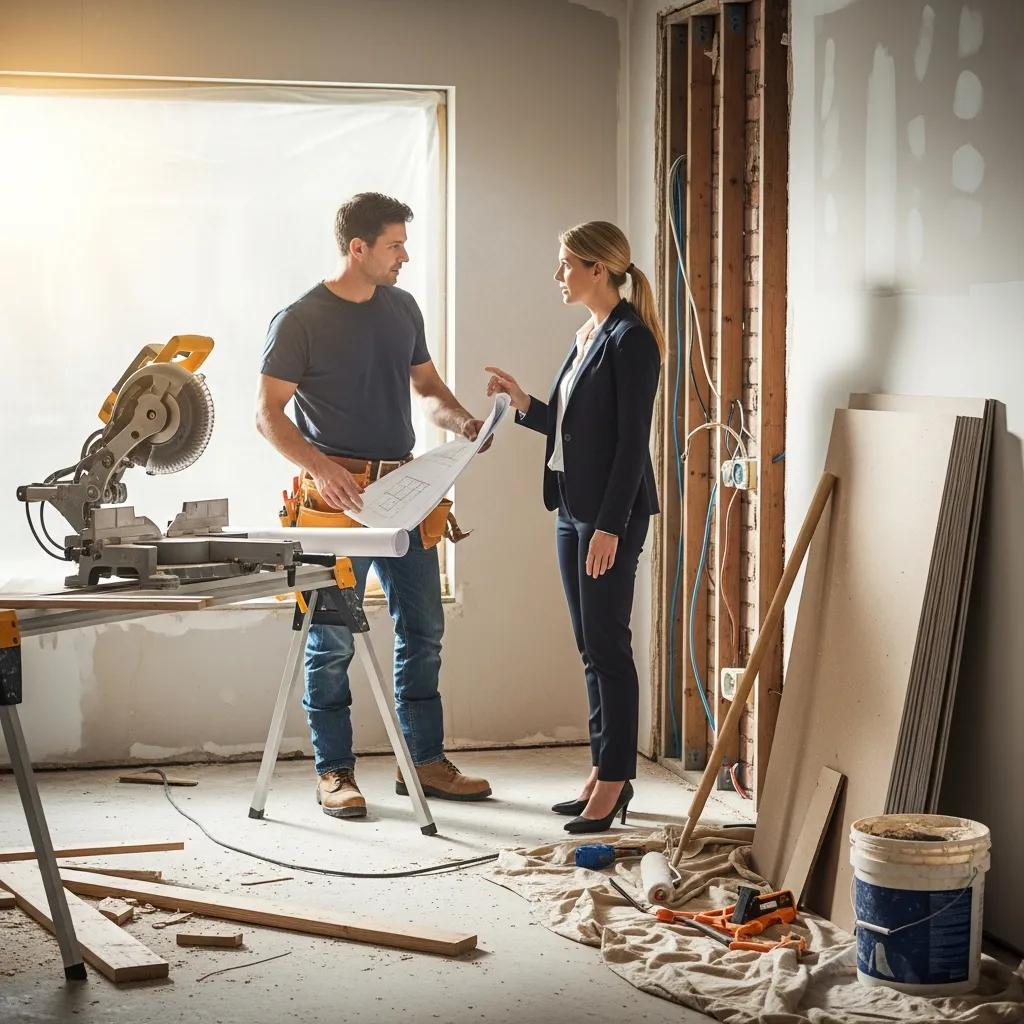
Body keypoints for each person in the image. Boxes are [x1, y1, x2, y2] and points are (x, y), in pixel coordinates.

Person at [256, 192, 491, 820]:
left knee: (424, 629)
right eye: (394, 245)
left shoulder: (401, 308)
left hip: (405, 494)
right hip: (335, 503)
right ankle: (334, 772)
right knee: (331, 638)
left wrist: (464, 422)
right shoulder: (300, 319)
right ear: (357, 248)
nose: (404, 256)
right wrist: (324, 470)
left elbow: (429, 391)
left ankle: (426, 763)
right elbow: (268, 416)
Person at [485, 220, 662, 834]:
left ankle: (615, 782)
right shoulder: (589, 333)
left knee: (609, 644)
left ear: (597, 268)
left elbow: (632, 444)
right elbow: (570, 424)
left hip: (609, 515)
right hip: (571, 507)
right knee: (590, 644)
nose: (557, 274)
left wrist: (611, 526)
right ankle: (601, 769)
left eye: (565, 264)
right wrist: (521, 403)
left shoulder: (630, 339)